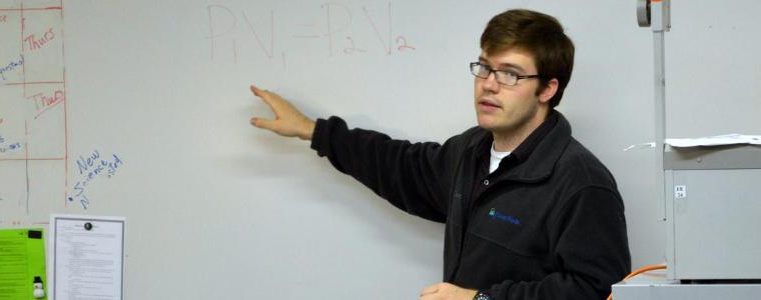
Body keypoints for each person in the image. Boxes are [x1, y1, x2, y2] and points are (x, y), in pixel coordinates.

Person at [249, 9, 630, 300]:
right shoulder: (470, 151)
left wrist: (481, 298)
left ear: (547, 89)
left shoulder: (580, 181)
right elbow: (400, 165)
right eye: (484, 68)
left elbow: (596, 289)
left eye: (510, 74)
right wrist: (312, 130)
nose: (489, 85)